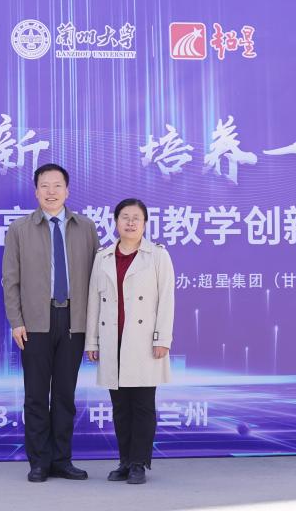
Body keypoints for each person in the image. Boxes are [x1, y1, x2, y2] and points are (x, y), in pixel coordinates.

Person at [2, 163, 100, 482]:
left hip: (74, 320)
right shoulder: (20, 229)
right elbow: (10, 280)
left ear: (67, 191)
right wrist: (16, 321)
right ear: (36, 192)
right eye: (45, 186)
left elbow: (99, 280)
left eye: (57, 185)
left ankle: (62, 459)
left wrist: (95, 327)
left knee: (64, 395)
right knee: (35, 394)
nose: (51, 192)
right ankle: (39, 462)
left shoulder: (86, 228)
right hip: (34, 322)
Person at [84, 198, 175, 485]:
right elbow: (94, 301)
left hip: (144, 342)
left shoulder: (157, 255)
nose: (131, 222)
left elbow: (167, 299)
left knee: (143, 406)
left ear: (145, 223)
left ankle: (139, 463)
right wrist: (92, 341)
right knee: (120, 407)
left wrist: (162, 338)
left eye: (137, 218)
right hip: (112, 340)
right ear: (115, 221)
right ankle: (124, 461)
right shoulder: (103, 257)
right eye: (125, 217)